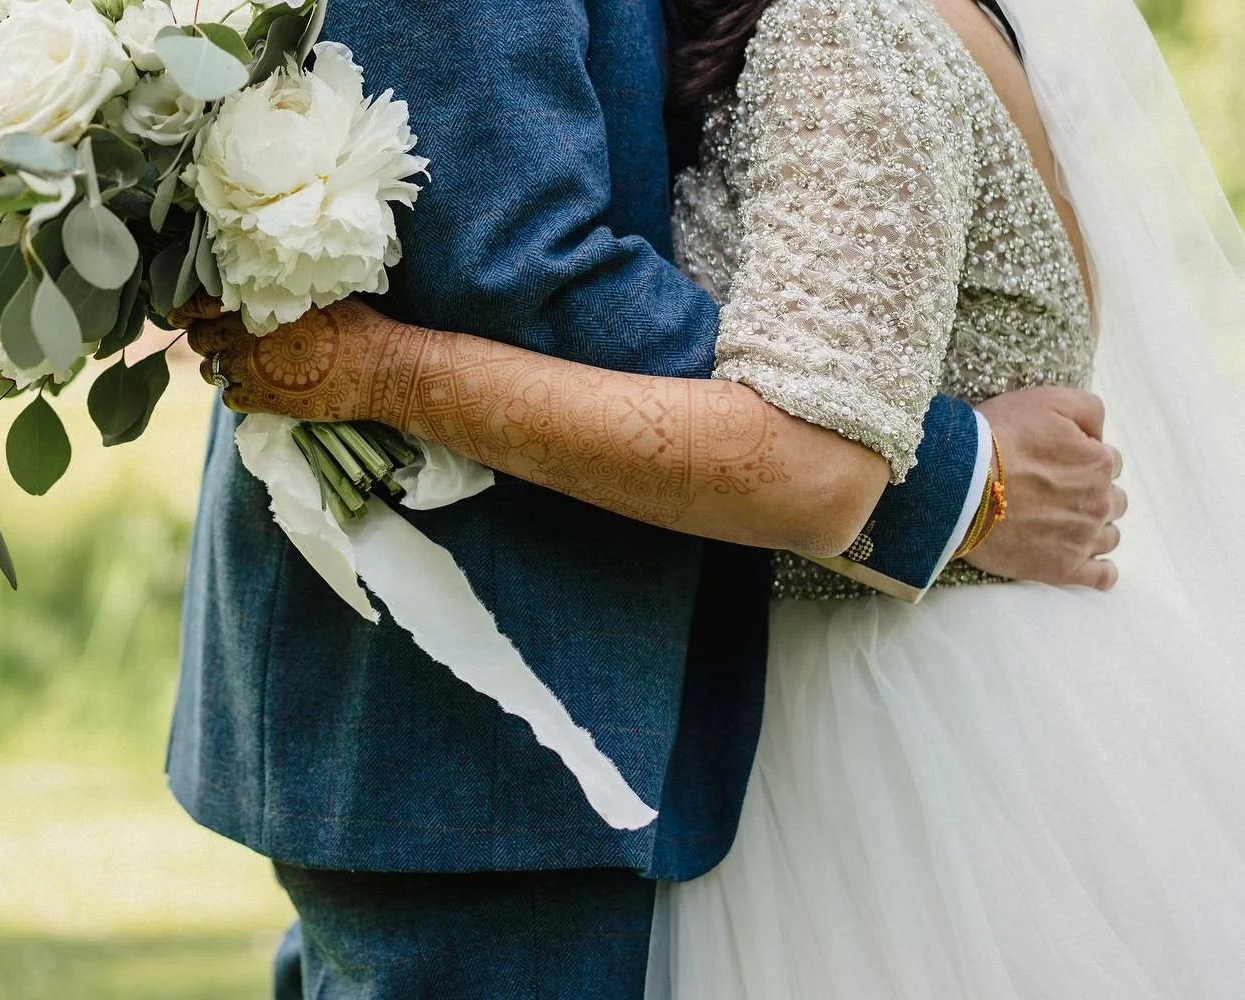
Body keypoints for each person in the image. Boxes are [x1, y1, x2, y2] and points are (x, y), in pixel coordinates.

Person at [186, 0, 1245, 995]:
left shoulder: (850, 34)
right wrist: (964, 485)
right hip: (499, 720)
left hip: (835, 726)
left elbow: (816, 437)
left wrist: (940, 480)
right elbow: (521, 280)